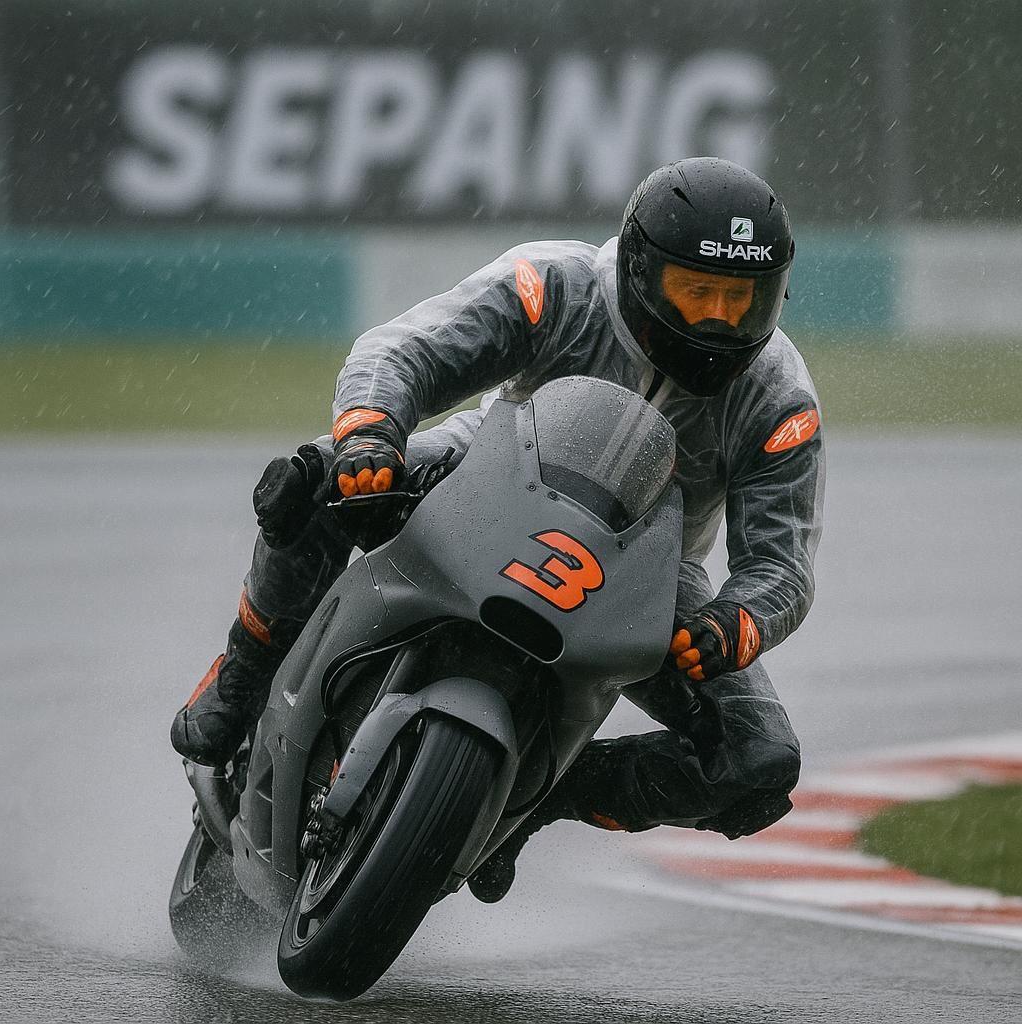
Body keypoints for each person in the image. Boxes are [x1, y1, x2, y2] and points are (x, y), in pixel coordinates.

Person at [171, 157, 825, 903]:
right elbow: (402, 349)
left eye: (739, 300)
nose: (716, 320)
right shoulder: (557, 287)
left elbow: (784, 564)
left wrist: (736, 623)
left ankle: (536, 803)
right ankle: (243, 671)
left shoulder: (778, 397)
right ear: (642, 270)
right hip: (482, 467)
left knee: (759, 764)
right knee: (307, 484)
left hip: (648, 569)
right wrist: (370, 432)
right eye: (695, 291)